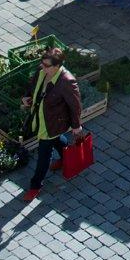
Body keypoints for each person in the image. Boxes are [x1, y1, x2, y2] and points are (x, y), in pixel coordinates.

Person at [20, 46, 82, 201]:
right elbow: (32, 86)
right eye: (42, 63)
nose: (42, 67)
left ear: (57, 66)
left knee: (44, 154)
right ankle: (66, 159)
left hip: (53, 123)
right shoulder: (41, 71)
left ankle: (35, 185)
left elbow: (75, 106)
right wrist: (26, 97)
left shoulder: (67, 81)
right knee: (56, 140)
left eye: (47, 65)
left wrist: (76, 126)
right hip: (40, 116)